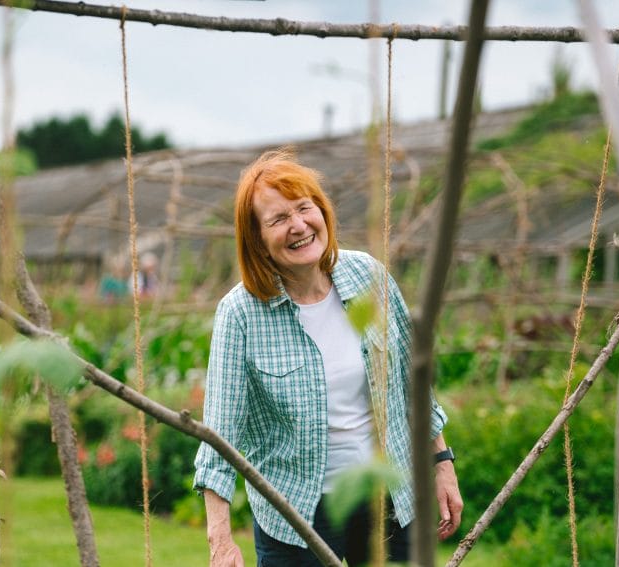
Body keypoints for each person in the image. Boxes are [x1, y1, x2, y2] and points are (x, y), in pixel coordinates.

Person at [193, 149, 462, 566]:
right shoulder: (241, 313)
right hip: (297, 518)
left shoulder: (368, 276)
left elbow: (413, 384)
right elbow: (220, 436)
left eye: (305, 208)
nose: (299, 225)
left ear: (322, 212)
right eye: (279, 219)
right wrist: (220, 538)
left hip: (388, 501)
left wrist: (441, 462)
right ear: (257, 240)